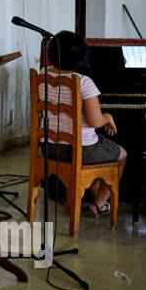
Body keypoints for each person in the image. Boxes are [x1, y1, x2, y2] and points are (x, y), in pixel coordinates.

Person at [38, 30, 126, 217]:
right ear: (80, 59)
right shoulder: (83, 82)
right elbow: (95, 121)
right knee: (122, 155)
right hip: (80, 150)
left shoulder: (43, 75)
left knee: (96, 154)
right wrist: (108, 117)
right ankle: (100, 204)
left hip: (49, 147)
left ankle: (95, 197)